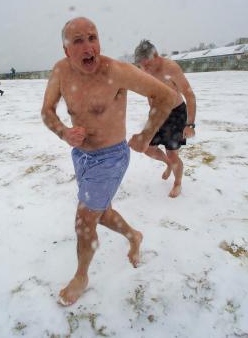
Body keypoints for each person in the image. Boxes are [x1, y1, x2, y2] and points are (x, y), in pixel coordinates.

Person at [41, 17, 174, 307]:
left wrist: (146, 135)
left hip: (111, 157)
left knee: (84, 219)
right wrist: (64, 132)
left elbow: (167, 96)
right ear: (66, 50)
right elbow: (47, 112)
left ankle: (81, 276)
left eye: (93, 37)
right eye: (79, 41)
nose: (89, 47)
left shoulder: (116, 71)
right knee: (101, 211)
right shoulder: (61, 71)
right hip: (82, 157)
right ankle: (134, 236)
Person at [133, 40, 197, 198]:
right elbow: (150, 93)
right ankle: (168, 164)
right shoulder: (145, 70)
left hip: (176, 113)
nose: (145, 69)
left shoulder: (171, 68)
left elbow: (189, 95)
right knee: (147, 148)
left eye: (147, 65)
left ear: (155, 55)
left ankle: (177, 183)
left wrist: (190, 125)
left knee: (172, 154)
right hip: (157, 113)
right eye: (142, 66)